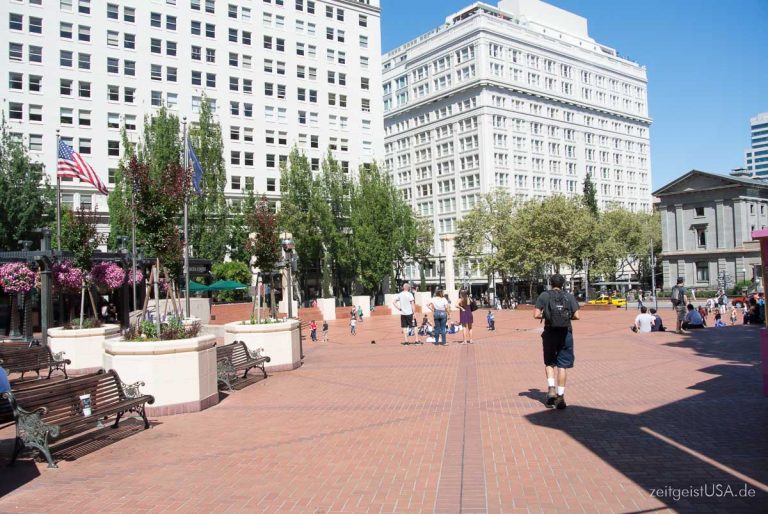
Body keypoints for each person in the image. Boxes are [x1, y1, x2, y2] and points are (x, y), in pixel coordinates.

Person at [534, 274, 580, 410]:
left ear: (550, 283)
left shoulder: (544, 295)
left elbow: (536, 314)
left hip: (549, 332)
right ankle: (561, 396)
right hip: (565, 333)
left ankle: (551, 390)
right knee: (562, 365)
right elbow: (577, 315)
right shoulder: (569, 296)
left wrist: (548, 315)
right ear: (563, 284)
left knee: (549, 362)